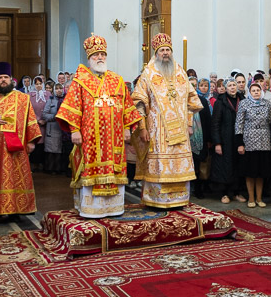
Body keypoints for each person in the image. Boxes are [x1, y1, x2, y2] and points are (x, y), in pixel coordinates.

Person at [56, 36, 143, 217]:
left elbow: (127, 106)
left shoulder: (117, 80)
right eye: (96, 55)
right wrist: (75, 130)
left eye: (103, 54)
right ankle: (92, 209)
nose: (100, 57)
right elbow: (71, 107)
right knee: (89, 168)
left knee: (114, 168)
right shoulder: (80, 81)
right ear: (89, 58)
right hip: (90, 138)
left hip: (115, 138)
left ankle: (114, 207)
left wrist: (127, 128)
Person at [131, 34, 203, 209]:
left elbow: (191, 101)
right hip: (158, 132)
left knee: (179, 164)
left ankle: (179, 200)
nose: (165, 53)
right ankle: (157, 201)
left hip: (180, 132)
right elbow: (139, 102)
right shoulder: (148, 74)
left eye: (168, 50)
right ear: (156, 53)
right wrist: (142, 128)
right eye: (162, 50)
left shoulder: (179, 72)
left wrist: (188, 123)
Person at [0, 62, 41, 217]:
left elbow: (31, 120)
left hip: (17, 147)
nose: (3, 80)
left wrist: (31, 141)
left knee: (15, 176)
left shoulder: (23, 98)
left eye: (6, 77)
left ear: (11, 80)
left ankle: (17, 209)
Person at [235, 81, 271, 207]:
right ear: (249, 92)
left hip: (264, 142)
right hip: (249, 141)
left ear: (261, 91)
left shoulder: (267, 104)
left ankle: (259, 198)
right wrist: (240, 143)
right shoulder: (244, 103)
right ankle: (251, 198)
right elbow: (239, 124)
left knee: (261, 172)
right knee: (250, 172)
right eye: (253, 91)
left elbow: (270, 121)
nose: (256, 92)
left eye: (258, 90)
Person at [210, 77, 245, 204]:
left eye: (234, 85)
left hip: (239, 139)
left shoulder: (243, 100)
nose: (232, 87)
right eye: (229, 85)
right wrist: (217, 142)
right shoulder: (221, 102)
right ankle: (224, 193)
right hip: (225, 140)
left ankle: (236, 192)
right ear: (225, 88)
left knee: (238, 165)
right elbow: (215, 124)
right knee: (224, 166)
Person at [42, 82, 67, 174]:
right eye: (56, 89)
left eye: (60, 88)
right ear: (54, 90)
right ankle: (51, 169)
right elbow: (44, 114)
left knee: (60, 149)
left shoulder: (66, 99)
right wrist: (55, 116)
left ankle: (60, 169)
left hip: (63, 129)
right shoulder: (51, 100)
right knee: (52, 149)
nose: (59, 90)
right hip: (52, 128)